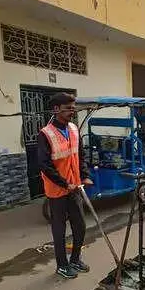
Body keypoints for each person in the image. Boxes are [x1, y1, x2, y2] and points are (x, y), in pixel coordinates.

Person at [38, 92, 93, 279]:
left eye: (73, 107)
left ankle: (75, 259)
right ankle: (62, 265)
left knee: (80, 226)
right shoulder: (46, 134)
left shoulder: (73, 129)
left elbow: (80, 156)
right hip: (57, 190)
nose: (72, 111)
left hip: (75, 187)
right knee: (59, 230)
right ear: (56, 109)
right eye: (68, 108)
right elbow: (45, 165)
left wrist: (84, 175)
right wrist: (64, 183)